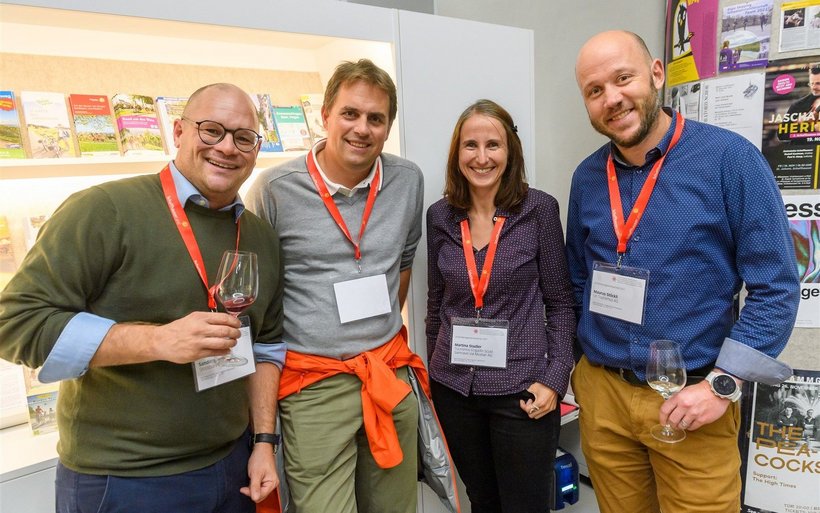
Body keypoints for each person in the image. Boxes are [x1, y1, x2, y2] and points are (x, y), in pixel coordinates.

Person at [0, 83, 285, 512]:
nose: (227, 147)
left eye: (243, 137)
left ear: (256, 149)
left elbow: (266, 347)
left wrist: (263, 442)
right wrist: (159, 340)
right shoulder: (103, 209)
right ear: (179, 131)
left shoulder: (260, 236)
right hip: (125, 479)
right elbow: (15, 324)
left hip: (233, 467)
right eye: (212, 130)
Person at [567, 30, 799, 513]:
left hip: (693, 400)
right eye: (595, 90)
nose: (612, 98)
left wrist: (723, 384)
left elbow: (775, 288)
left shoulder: (729, 160)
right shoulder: (587, 178)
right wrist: (581, 371)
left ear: (656, 74)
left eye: (623, 78)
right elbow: (578, 279)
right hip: (604, 397)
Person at [246, 59, 424, 513]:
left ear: (388, 128)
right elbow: (259, 300)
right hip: (314, 387)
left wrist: (373, 335)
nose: (362, 128)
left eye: (376, 118)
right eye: (350, 113)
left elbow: (402, 265)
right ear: (325, 115)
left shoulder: (407, 181)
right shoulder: (274, 189)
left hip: (386, 375)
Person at [425, 99, 575, 512]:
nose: (481, 157)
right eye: (470, 145)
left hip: (522, 392)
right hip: (455, 391)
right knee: (482, 501)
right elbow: (437, 302)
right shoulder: (439, 216)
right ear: (457, 153)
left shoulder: (538, 210)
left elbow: (561, 303)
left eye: (493, 145)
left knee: (525, 505)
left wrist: (554, 378)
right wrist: (435, 372)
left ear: (510, 151)